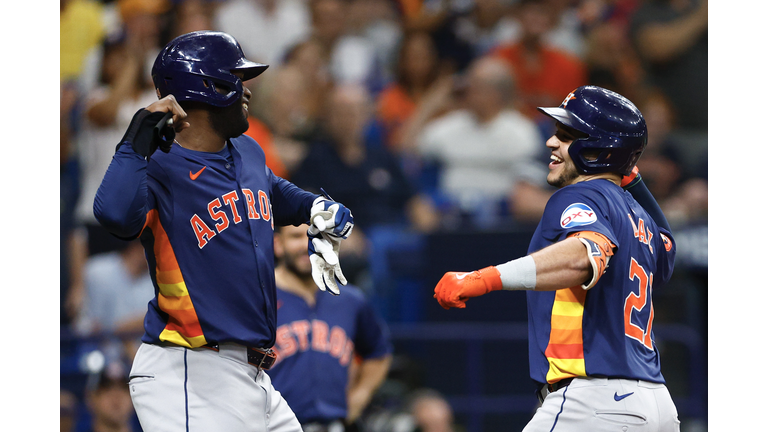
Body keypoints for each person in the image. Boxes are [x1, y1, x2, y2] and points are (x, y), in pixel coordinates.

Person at [93, 30, 355, 432]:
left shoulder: (247, 150)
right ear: (208, 87)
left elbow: (275, 192)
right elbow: (113, 215)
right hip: (188, 367)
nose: (247, 90)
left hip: (253, 373)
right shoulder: (160, 165)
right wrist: (135, 142)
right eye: (237, 78)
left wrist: (315, 208)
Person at [433, 86, 681, 431]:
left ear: (597, 150)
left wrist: (484, 278)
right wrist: (634, 180)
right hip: (658, 404)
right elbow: (667, 247)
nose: (551, 143)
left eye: (566, 136)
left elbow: (587, 253)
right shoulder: (639, 216)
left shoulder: (580, 194)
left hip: (595, 400)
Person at [268, 223, 393, 431]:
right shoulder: (259, 298)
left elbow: (378, 352)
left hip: (334, 425)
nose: (307, 245)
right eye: (296, 236)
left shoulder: (350, 300)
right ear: (278, 244)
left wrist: (359, 396)